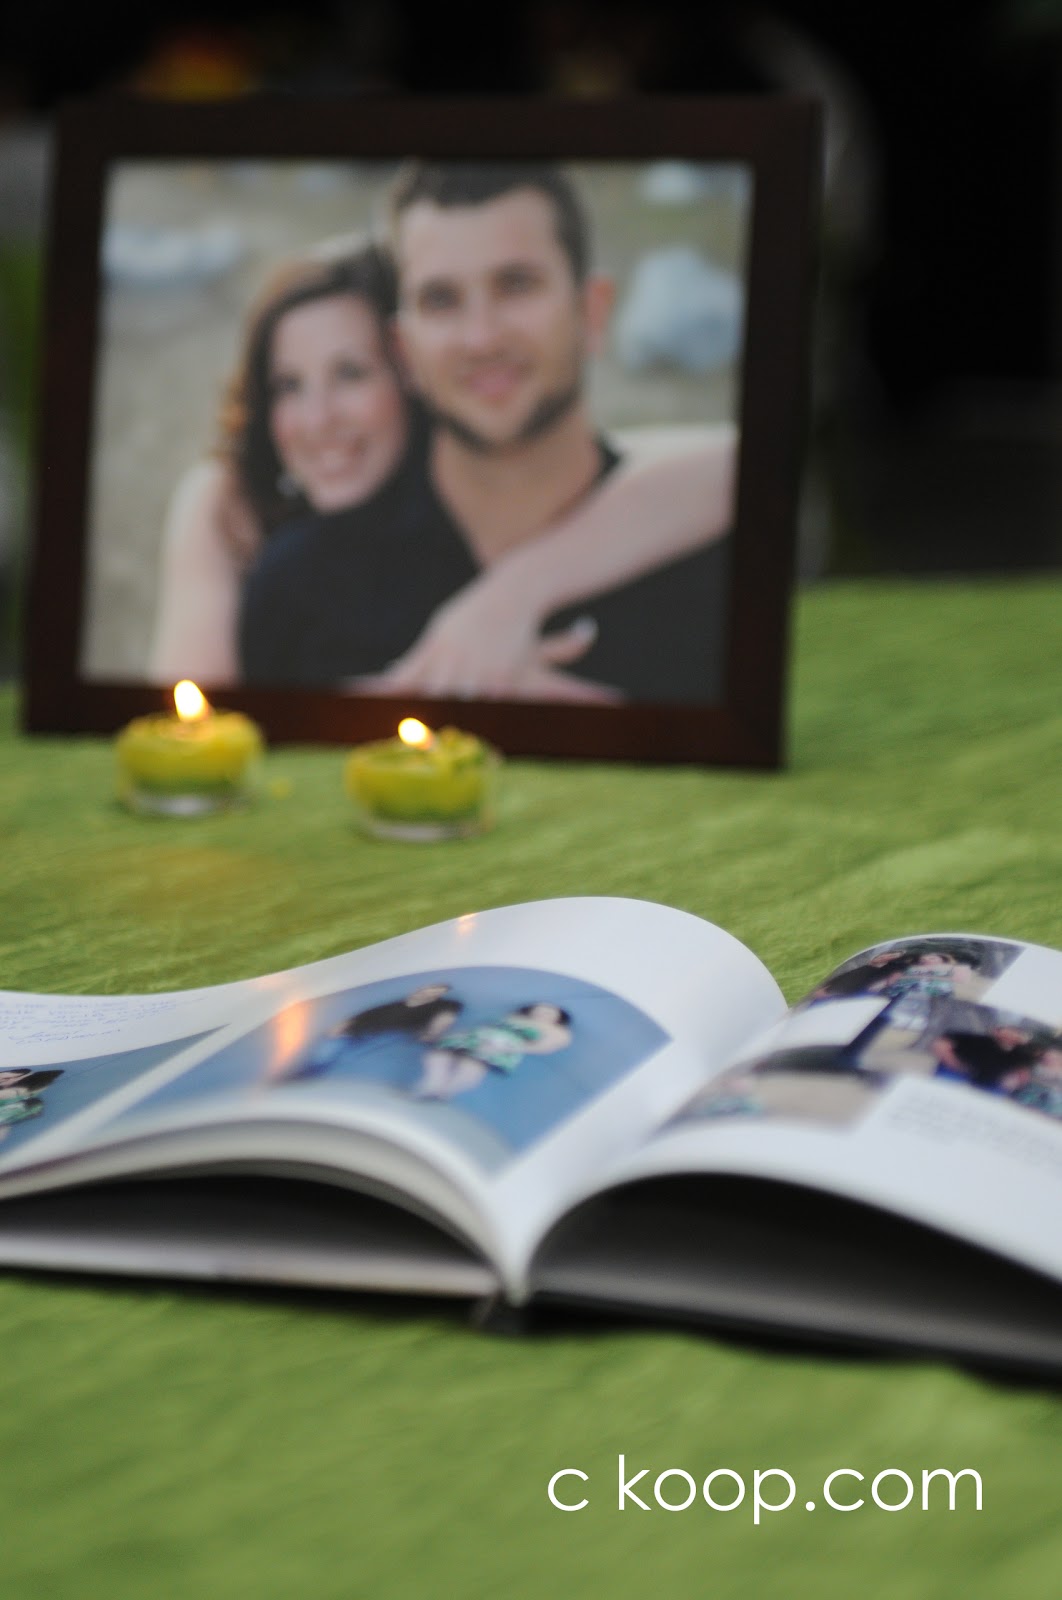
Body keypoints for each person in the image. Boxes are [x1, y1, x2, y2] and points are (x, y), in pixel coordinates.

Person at [154, 178, 737, 697]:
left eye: (516, 284)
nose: (481, 337)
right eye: (441, 299)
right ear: (404, 350)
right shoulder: (297, 588)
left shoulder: (710, 549)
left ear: (592, 312)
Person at [413, 1002, 573, 1100]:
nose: (541, 1013)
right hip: (477, 1038)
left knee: (472, 1066)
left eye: (548, 1011)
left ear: (557, 1016)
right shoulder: (513, 1018)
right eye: (539, 1009)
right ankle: (431, 1084)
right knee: (439, 1056)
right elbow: (490, 1025)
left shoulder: (558, 1032)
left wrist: (512, 1045)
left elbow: (545, 1047)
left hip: (501, 1047)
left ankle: (445, 1091)